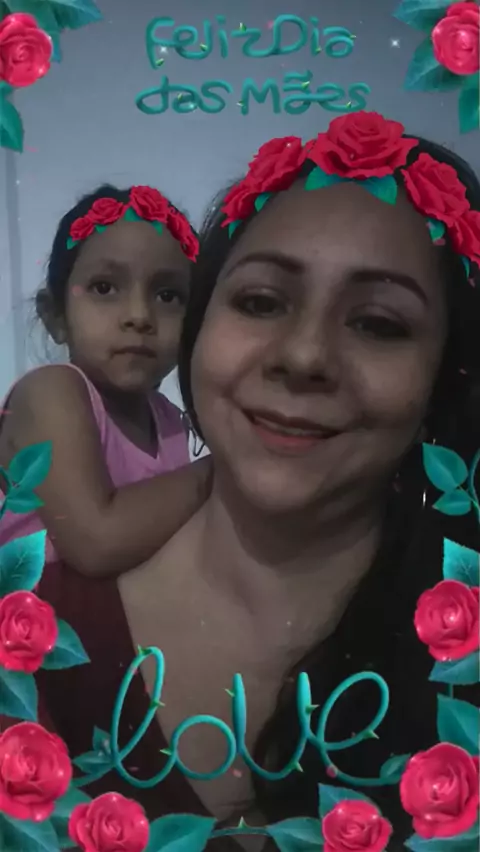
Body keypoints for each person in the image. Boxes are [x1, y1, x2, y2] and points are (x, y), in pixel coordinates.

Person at [13, 115, 480, 849]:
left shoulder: (460, 641)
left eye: (379, 324)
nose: (303, 355)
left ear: (446, 377)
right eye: (261, 302)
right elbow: (95, 537)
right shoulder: (36, 647)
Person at [0, 184, 211, 578]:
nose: (139, 316)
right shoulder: (50, 394)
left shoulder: (168, 420)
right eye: (104, 288)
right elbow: (97, 544)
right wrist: (221, 471)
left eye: (168, 296)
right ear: (56, 316)